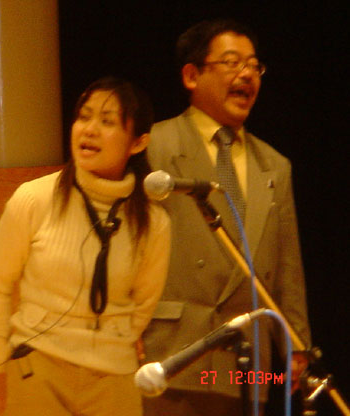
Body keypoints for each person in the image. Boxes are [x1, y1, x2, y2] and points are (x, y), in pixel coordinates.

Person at [142, 19, 311, 415]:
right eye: (232, 63)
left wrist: (296, 344)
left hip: (246, 363)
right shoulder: (154, 145)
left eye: (254, 65)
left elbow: (286, 265)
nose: (247, 74)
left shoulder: (275, 165)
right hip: (170, 351)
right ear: (191, 75)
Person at [0, 77, 171, 416]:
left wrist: (113, 344)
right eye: (84, 117)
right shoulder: (33, 198)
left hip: (114, 376)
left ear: (138, 142)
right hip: (37, 367)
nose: (89, 129)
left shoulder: (154, 222)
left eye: (107, 121)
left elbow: (144, 303)